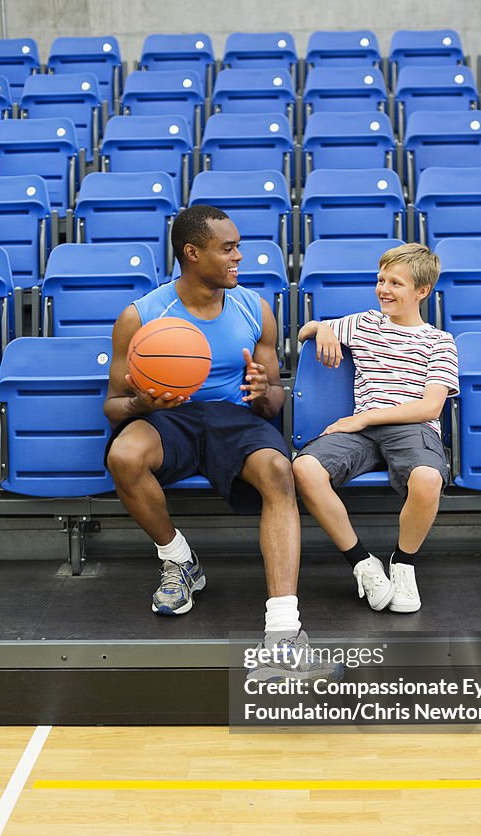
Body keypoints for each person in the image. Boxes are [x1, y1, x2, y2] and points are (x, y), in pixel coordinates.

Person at [103, 204, 338, 679]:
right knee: (124, 455)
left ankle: (284, 632)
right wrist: (143, 403)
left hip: (233, 417)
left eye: (238, 247)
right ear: (192, 253)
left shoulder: (256, 309)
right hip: (171, 417)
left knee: (278, 470)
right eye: (227, 249)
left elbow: (272, 400)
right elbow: (112, 404)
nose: (239, 258)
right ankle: (178, 559)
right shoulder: (143, 315)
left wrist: (262, 393)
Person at [293, 242, 459, 614]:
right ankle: (362, 563)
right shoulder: (365, 323)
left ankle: (403, 564)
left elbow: (431, 406)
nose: (384, 289)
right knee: (304, 467)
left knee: (428, 479)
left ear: (422, 291)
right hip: (361, 434)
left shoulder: (439, 341)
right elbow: (305, 329)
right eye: (381, 280)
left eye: (396, 283)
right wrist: (321, 328)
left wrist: (366, 417)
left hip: (410, 426)